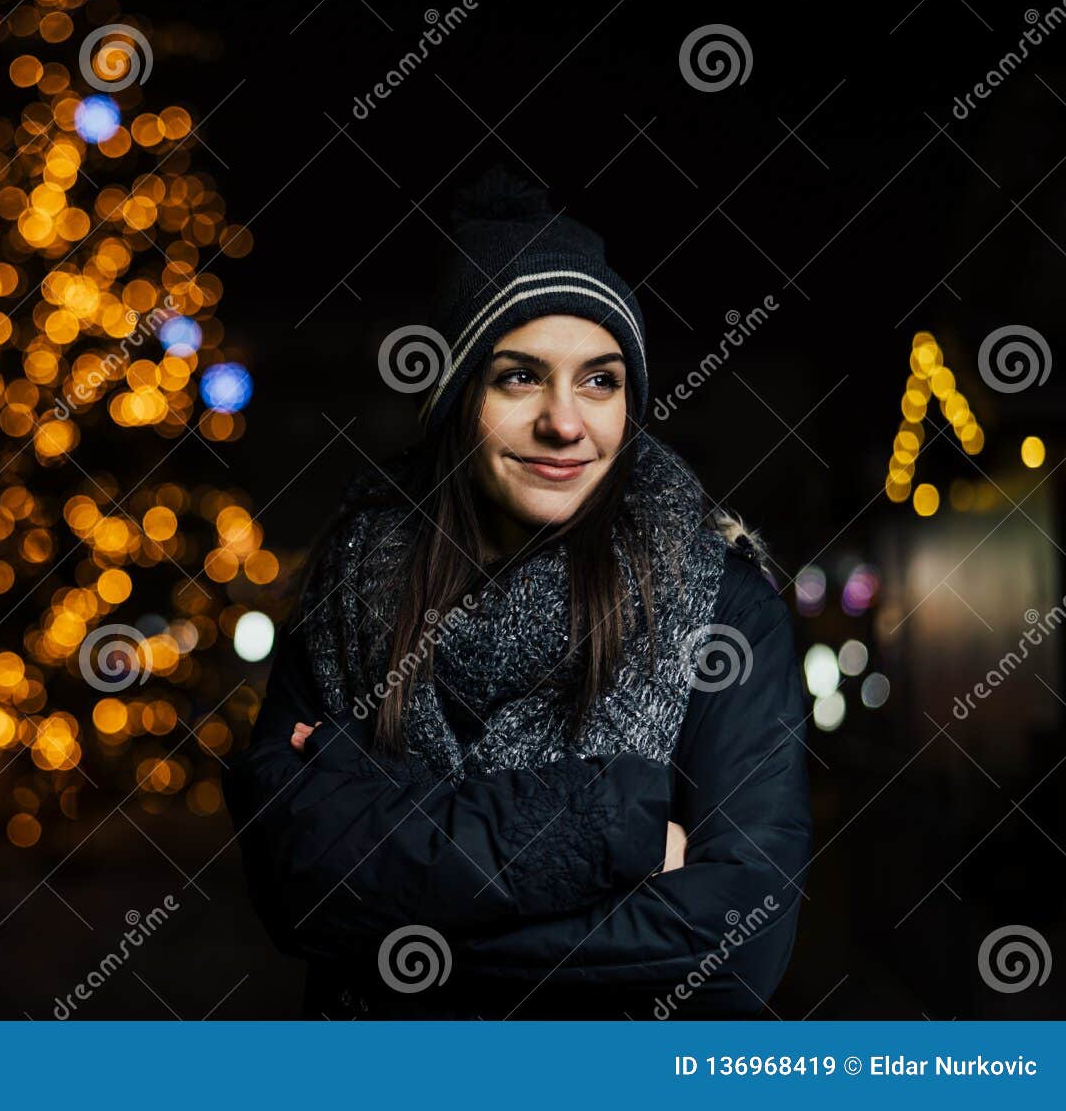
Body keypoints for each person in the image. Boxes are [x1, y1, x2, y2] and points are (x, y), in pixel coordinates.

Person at [222, 166, 812, 1019]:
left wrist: (397, 923)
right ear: (459, 399)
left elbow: (739, 949)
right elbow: (296, 882)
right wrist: (612, 824)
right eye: (520, 377)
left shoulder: (723, 608)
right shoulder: (351, 590)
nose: (566, 422)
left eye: (601, 380)